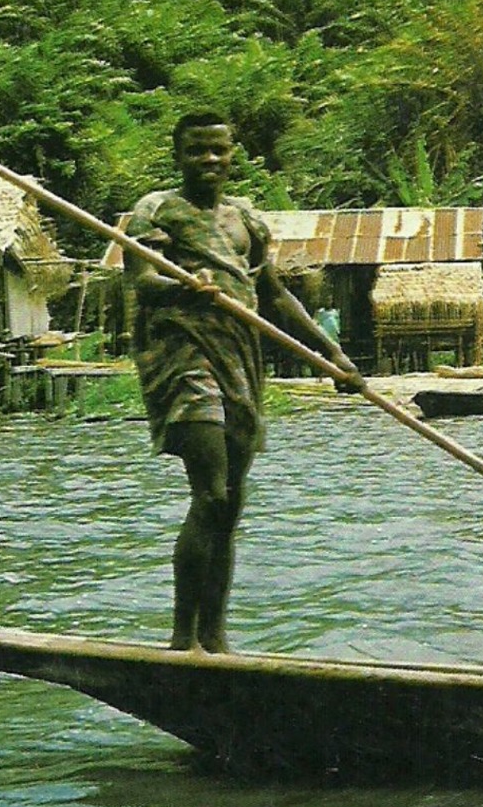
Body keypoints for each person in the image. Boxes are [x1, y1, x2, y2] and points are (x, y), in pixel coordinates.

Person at [124, 112, 360, 653]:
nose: (208, 160)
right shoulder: (157, 211)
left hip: (239, 358)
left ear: (233, 154)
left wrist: (334, 356)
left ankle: (215, 637)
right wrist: (186, 288)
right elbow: (143, 281)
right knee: (209, 493)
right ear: (177, 156)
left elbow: (275, 297)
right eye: (195, 151)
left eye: (217, 150)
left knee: (230, 504)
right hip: (183, 355)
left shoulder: (246, 221)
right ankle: (183, 640)